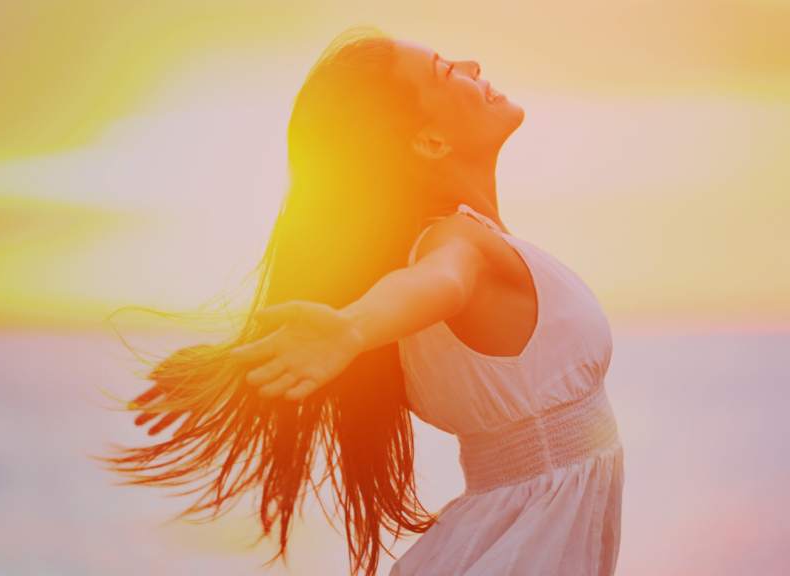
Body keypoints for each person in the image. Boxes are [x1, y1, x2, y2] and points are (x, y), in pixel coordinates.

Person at [107, 25, 622, 576]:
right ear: (430, 142)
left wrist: (237, 374)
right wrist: (351, 328)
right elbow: (439, 282)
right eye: (448, 71)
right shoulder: (457, 244)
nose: (471, 65)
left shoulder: (448, 246)